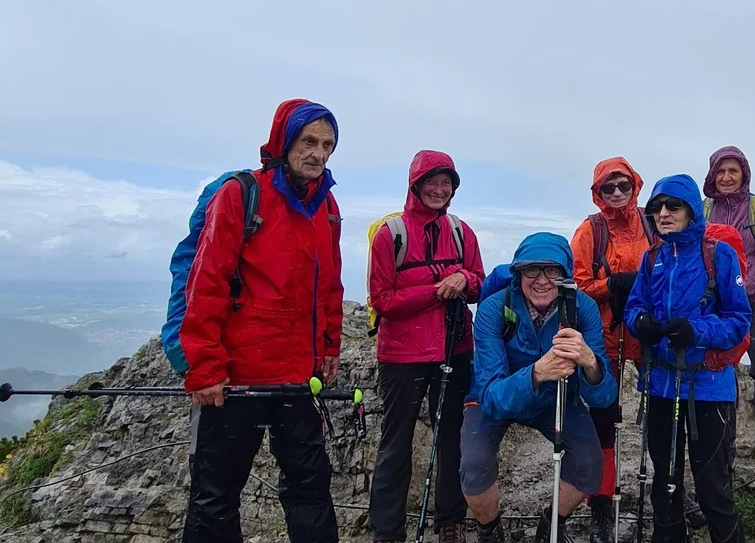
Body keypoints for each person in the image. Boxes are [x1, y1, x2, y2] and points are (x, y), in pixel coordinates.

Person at [180, 98, 344, 543]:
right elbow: (206, 284)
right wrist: (205, 369)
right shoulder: (240, 194)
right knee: (216, 496)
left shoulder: (326, 206)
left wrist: (330, 345)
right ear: (284, 141)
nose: (319, 154)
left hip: (298, 375)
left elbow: (329, 283)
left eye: (327, 145)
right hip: (238, 378)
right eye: (309, 142)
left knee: (311, 488)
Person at [460, 232, 617, 543]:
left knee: (589, 462)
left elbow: (603, 397)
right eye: (532, 270)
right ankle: (490, 530)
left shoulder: (582, 309)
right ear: (518, 273)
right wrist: (536, 374)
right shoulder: (493, 309)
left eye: (552, 270)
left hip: (555, 397)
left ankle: (552, 523)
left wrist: (591, 363)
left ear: (565, 273)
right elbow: (490, 397)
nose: (542, 280)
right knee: (474, 465)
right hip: (497, 397)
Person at [624, 174, 752, 543]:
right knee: (665, 488)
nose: (663, 213)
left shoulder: (719, 255)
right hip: (660, 385)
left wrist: (697, 331)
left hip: (708, 387)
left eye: (673, 206)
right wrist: (640, 323)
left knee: (714, 491)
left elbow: (739, 321)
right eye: (656, 207)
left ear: (691, 210)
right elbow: (634, 307)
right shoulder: (653, 258)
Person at [368, 151, 486, 543]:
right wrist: (437, 290)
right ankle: (388, 532)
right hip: (402, 356)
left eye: (446, 183)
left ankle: (450, 523)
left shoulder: (461, 232)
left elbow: (479, 284)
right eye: (431, 182)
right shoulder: (391, 234)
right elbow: (382, 300)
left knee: (452, 439)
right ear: (415, 185)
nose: (439, 189)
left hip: (455, 348)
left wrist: (464, 278)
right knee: (395, 444)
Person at [567, 157, 653, 543]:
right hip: (606, 334)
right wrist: (611, 285)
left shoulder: (651, 223)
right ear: (598, 192)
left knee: (662, 413)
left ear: (635, 185)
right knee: (605, 419)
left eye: (623, 185)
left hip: (648, 331)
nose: (617, 192)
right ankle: (601, 502)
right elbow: (576, 285)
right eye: (609, 187)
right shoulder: (590, 230)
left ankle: (669, 488)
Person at [701, 145, 755, 490]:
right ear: (712, 175)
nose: (726, 178)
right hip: (716, 308)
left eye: (733, 171)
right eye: (721, 171)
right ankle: (724, 460)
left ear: (744, 174)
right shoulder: (702, 210)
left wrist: (738, 291)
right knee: (721, 375)